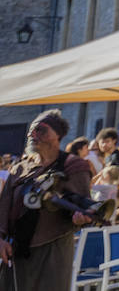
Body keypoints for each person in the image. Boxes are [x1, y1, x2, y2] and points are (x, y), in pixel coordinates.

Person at [0, 110, 93, 291]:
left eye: (41, 130)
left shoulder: (72, 165)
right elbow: (3, 206)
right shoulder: (20, 168)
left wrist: (80, 218)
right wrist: (0, 238)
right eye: (31, 131)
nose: (33, 135)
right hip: (16, 249)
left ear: (57, 135)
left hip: (53, 248)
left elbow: (81, 203)